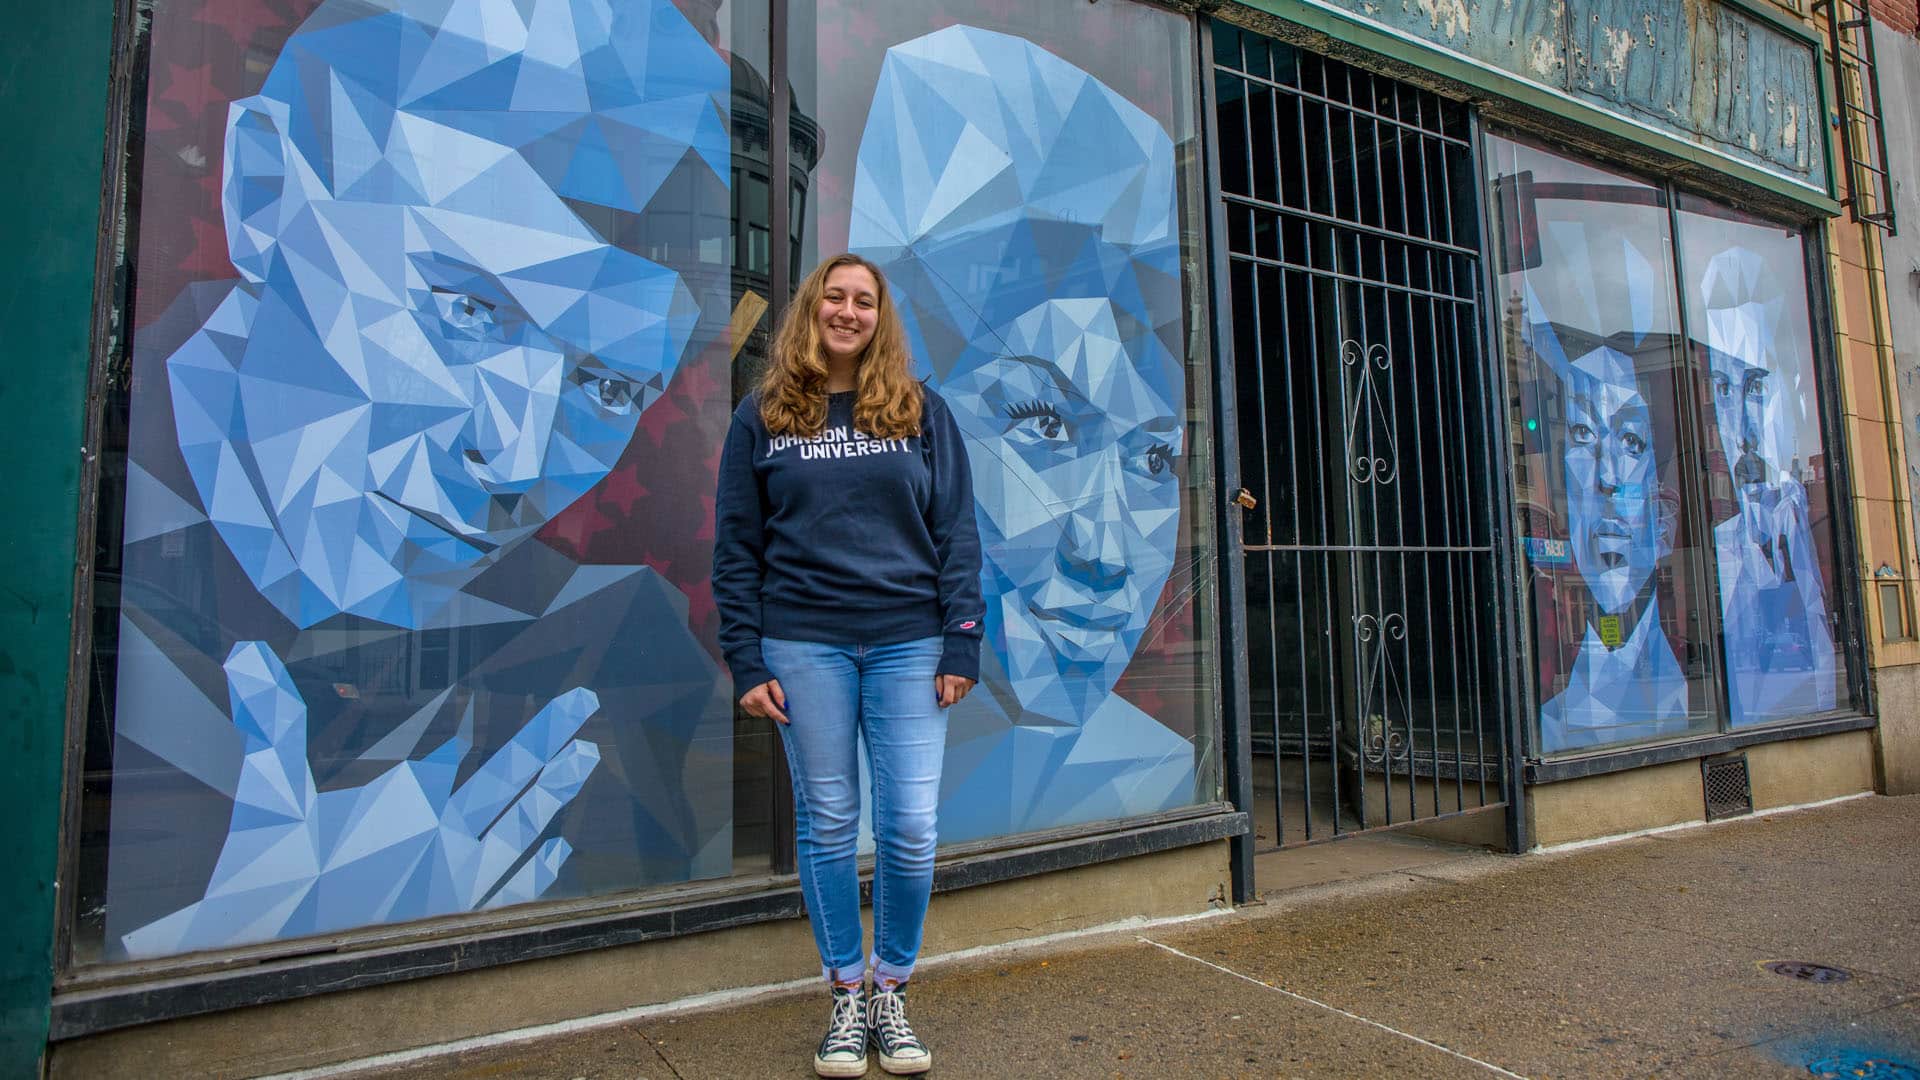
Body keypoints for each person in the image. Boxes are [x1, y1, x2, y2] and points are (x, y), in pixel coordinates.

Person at [106, 0, 736, 957]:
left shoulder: (624, 658)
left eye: (606, 384)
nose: (516, 457)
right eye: (466, 308)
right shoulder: (67, 561)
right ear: (266, 192)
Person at [849, 25, 1197, 843]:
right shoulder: (840, 764)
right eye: (1043, 424)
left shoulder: (1158, 776)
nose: (1105, 549)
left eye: (1154, 455)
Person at [713, 254, 983, 1077]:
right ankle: (844, 995)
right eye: (834, 296)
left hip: (908, 642)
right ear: (811, 309)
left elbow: (957, 532)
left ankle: (890, 989)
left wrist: (961, 639)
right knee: (829, 827)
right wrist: (746, 654)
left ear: (879, 318)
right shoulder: (762, 415)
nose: (848, 310)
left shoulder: (919, 410)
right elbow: (736, 547)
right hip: (804, 644)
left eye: (863, 300)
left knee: (909, 827)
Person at [1698, 246, 1837, 726]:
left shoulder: (1809, 527)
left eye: (1754, 388)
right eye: (1721, 388)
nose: (1743, 428)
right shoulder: (1721, 547)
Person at [1533, 329, 1690, 751]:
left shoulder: (1677, 698)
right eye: (1583, 435)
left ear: (1663, 517)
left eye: (1631, 441)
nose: (1607, 476)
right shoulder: (1550, 721)